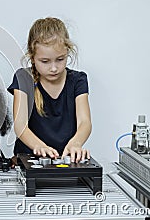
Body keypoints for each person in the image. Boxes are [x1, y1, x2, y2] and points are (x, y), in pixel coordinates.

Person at [8, 17, 92, 163]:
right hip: (28, 160)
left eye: (60, 59)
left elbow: (85, 122)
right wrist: (39, 147)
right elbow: (20, 125)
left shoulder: (78, 80)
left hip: (64, 160)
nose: (53, 68)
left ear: (68, 52)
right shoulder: (23, 78)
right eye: (45, 61)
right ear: (32, 57)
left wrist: (76, 143)